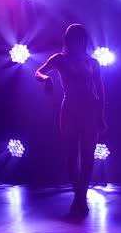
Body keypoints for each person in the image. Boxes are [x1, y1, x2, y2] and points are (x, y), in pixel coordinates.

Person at [35, 23, 107, 214]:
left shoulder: (92, 62)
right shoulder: (59, 59)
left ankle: (81, 197)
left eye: (81, 38)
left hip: (90, 110)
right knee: (71, 156)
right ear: (68, 40)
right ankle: (79, 195)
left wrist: (101, 116)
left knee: (88, 157)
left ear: (84, 40)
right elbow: (38, 72)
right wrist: (46, 79)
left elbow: (100, 91)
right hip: (70, 110)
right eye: (74, 38)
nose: (78, 41)